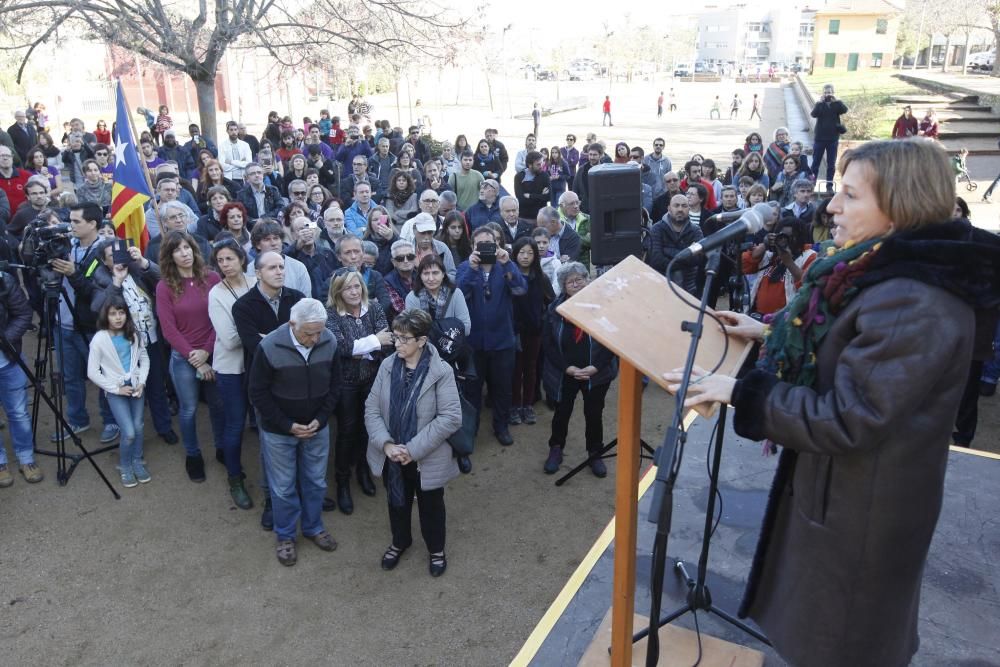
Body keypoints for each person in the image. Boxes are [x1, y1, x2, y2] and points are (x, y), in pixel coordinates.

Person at [667, 138, 1000, 667]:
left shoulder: (912, 301)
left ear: (898, 207)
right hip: (851, 497)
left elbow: (848, 417)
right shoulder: (880, 271)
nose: (830, 208)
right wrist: (767, 330)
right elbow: (843, 339)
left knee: (844, 646)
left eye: (849, 195)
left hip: (862, 515)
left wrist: (743, 392)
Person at [364, 308, 461, 576]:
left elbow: (451, 417)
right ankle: (400, 541)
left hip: (425, 456)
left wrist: (413, 449)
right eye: (396, 337)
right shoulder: (387, 366)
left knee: (431, 504)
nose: (397, 344)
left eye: (404, 338)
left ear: (422, 341)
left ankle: (436, 549)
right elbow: (371, 408)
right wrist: (386, 445)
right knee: (397, 500)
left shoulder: (441, 371)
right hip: (391, 453)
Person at [248, 298, 342, 566]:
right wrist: (287, 425)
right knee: (283, 486)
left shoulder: (329, 340)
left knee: (316, 481)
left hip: (316, 427)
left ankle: (313, 527)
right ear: (292, 324)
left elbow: (335, 384)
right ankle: (286, 536)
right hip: (279, 431)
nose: (314, 339)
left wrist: (321, 418)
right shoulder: (269, 346)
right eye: (307, 333)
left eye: (318, 332)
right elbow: (257, 393)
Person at [155, 231, 224, 484]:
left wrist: (207, 351)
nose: (184, 253)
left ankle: (221, 449)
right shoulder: (165, 286)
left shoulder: (213, 278)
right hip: (184, 357)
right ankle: (193, 454)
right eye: (177, 249)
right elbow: (168, 329)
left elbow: (220, 318)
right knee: (189, 409)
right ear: (169, 256)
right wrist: (196, 358)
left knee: (218, 406)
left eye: (187, 247)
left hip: (214, 353)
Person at [325, 268, 391, 514]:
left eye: (356, 286)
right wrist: (374, 341)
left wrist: (360, 348)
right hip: (345, 383)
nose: (353, 292)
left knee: (368, 429)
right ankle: (342, 482)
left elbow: (388, 342)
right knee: (346, 431)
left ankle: (363, 471)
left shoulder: (374, 307)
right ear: (338, 291)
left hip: (371, 381)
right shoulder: (331, 314)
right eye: (347, 287)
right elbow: (340, 347)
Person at [541, 263, 617, 476]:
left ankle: (595, 453)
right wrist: (567, 368)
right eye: (570, 281)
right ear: (563, 286)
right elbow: (547, 343)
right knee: (561, 413)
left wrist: (596, 366)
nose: (575, 284)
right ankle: (556, 449)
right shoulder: (554, 310)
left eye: (579, 279)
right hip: (566, 373)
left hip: (597, 373)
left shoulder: (603, 306)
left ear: (587, 280)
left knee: (594, 414)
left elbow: (612, 340)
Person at [456, 227, 528, 446]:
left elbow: (520, 290)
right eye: (481, 244)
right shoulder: (464, 267)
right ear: (472, 246)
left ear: (498, 245)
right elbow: (457, 293)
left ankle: (501, 426)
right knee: (473, 391)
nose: (486, 247)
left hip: (502, 341)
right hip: (474, 343)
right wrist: (471, 269)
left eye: (491, 243)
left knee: (502, 389)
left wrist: (507, 263)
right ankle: (471, 430)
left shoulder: (505, 266)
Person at [207, 236, 255, 508]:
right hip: (231, 368)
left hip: (258, 364)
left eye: (230, 258)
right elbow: (230, 339)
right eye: (220, 260)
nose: (225, 264)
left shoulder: (256, 282)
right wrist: (260, 332)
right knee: (235, 424)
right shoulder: (216, 293)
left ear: (241, 259)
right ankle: (234, 479)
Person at [88, 298, 150, 488]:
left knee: (139, 426)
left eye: (121, 313)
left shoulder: (133, 334)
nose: (118, 318)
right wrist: (116, 388)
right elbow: (92, 372)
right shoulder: (99, 339)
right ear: (106, 316)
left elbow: (144, 358)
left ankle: (137, 461)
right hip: (116, 392)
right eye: (113, 313)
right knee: (129, 432)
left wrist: (142, 382)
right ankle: (125, 465)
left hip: (136, 387)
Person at [0, 266, 41, 487]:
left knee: (18, 413)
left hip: (8, 360)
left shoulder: (4, 281)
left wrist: (5, 338)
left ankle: (26, 458)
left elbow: (24, 313)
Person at [510, 237, 554, 426]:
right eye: (522, 252)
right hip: (514, 332)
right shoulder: (509, 276)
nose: (525, 257)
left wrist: (542, 321)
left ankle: (527, 405)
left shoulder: (541, 278)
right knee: (515, 370)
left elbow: (550, 302)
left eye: (530, 253)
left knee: (531, 368)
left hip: (534, 332)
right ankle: (514, 405)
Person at [647, 194, 703, 296]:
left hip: (689, 289)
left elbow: (699, 259)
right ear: (669, 208)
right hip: (661, 287)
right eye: (676, 205)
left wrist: (667, 251)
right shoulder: (657, 229)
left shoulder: (696, 231)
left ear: (689, 208)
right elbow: (656, 260)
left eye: (684, 206)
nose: (680, 209)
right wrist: (686, 254)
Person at [810, 84, 849, 190]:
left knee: (831, 164)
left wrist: (836, 101)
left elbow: (845, 110)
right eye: (826, 92)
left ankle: (829, 185)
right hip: (820, 138)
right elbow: (813, 114)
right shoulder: (820, 104)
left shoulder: (836, 105)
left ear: (833, 93)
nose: (828, 95)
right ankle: (812, 183)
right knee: (815, 163)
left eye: (830, 92)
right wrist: (819, 102)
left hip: (832, 139)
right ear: (823, 93)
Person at [513, 151, 551, 224]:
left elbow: (548, 197)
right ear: (530, 165)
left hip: (541, 218)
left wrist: (530, 196)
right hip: (523, 218)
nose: (541, 166)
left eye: (541, 163)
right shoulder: (519, 177)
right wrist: (540, 196)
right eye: (538, 164)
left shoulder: (545, 176)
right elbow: (521, 200)